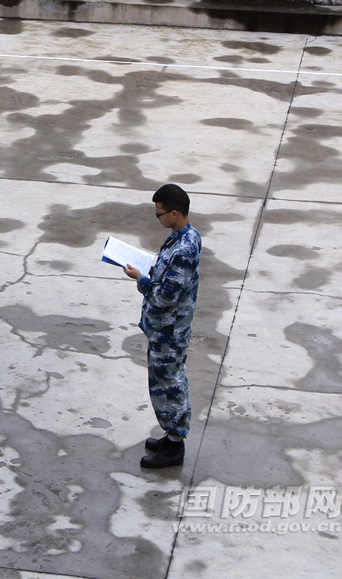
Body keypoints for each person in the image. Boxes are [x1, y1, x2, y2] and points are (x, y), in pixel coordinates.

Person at [123, 184, 201, 469]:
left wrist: (141, 279)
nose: (158, 219)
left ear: (175, 213)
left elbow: (167, 295)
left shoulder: (184, 248)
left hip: (170, 331)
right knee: (164, 383)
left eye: (160, 214)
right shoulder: (182, 236)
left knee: (170, 384)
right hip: (164, 329)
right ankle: (171, 435)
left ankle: (175, 444)